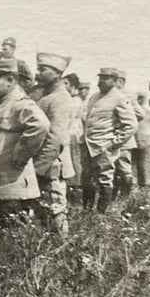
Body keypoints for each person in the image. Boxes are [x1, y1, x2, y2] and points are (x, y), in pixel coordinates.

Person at [0, 57, 50, 232]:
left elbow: (41, 125)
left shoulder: (20, 105)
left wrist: (19, 158)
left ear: (10, 80)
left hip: (11, 188)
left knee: (11, 237)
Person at [81, 68, 138, 213]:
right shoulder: (94, 97)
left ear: (114, 81)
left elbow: (131, 124)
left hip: (104, 146)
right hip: (88, 145)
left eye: (106, 78)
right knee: (86, 178)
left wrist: (114, 143)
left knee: (104, 179)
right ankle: (87, 210)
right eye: (100, 78)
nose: (101, 81)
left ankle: (101, 212)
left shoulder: (120, 98)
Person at [33, 53, 76, 237]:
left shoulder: (59, 98)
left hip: (52, 165)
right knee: (45, 210)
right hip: (44, 164)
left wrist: (39, 168)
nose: (39, 73)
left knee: (55, 209)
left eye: (43, 69)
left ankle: (62, 249)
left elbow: (55, 138)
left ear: (57, 73)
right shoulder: (47, 95)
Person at [64, 74, 85, 206]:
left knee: (73, 163)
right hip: (68, 135)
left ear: (73, 86)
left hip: (72, 135)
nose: (63, 86)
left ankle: (75, 196)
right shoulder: (69, 100)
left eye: (66, 83)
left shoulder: (75, 101)